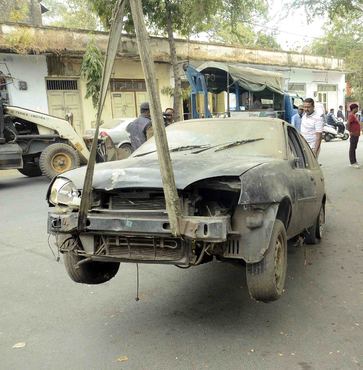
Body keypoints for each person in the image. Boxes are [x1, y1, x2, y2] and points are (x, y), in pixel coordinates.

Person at [346, 103, 360, 168]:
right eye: (357, 108)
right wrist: (350, 131)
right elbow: (348, 124)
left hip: (356, 134)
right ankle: (352, 162)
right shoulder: (351, 115)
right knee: (352, 148)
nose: (357, 109)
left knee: (354, 148)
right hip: (354, 134)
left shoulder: (353, 115)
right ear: (354, 109)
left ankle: (354, 161)